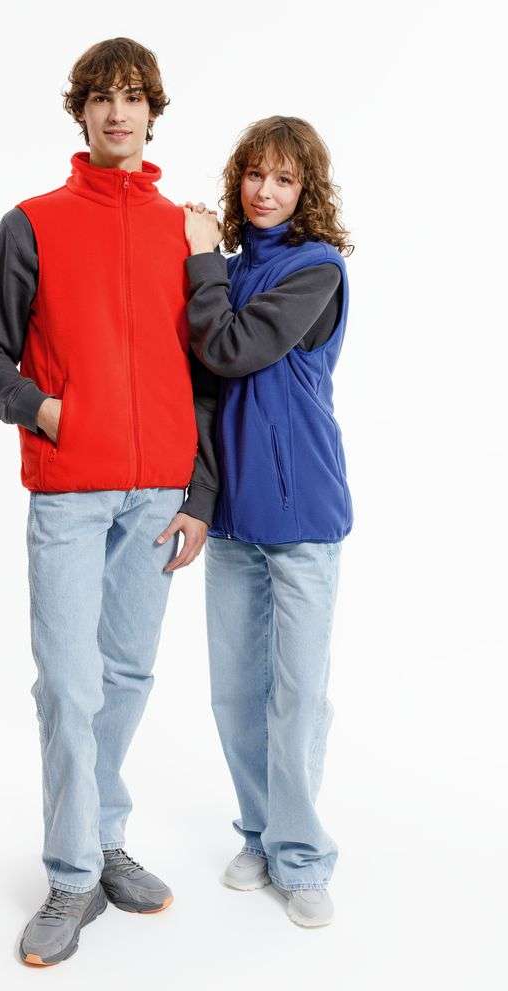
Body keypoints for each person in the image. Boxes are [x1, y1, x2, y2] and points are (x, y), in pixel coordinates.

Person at [0, 38, 219, 966]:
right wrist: (45, 410)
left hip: (159, 495)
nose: (118, 111)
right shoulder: (31, 223)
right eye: (101, 97)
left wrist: (198, 491)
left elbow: (212, 369)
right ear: (81, 112)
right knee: (70, 686)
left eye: (134, 96)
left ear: (154, 111)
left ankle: (105, 838)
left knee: (128, 677)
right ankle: (72, 876)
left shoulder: (185, 231)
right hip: (70, 491)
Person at [182, 116, 353, 928]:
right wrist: (199, 501)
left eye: (284, 179)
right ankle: (258, 832)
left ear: (305, 190)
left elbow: (230, 347)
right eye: (255, 174)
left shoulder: (317, 270)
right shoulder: (227, 270)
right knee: (234, 697)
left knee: (298, 696)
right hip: (232, 520)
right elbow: (203, 398)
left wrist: (200, 262)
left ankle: (302, 856)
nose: (265, 191)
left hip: (303, 515)